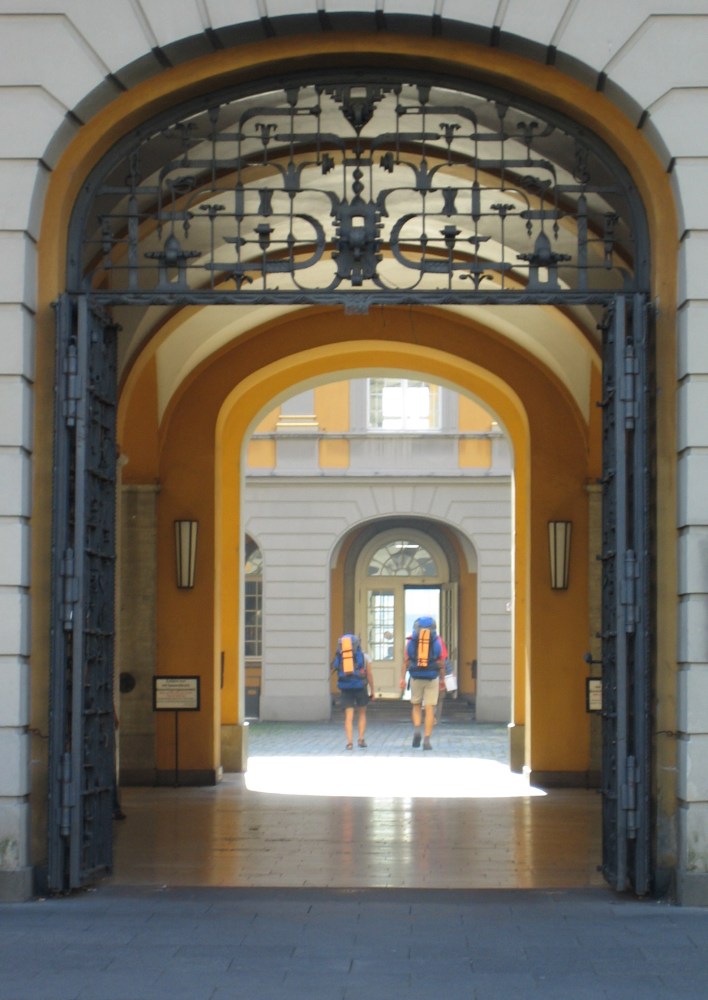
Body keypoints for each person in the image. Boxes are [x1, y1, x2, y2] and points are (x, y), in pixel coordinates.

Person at [400, 617, 445, 750]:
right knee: (430, 708)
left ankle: (417, 729)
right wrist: (442, 679)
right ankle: (427, 739)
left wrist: (402, 678)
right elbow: (441, 663)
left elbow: (406, 661)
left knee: (416, 705)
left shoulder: (411, 641)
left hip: (416, 676)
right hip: (432, 678)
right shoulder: (438, 641)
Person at [334, 635, 375, 750]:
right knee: (362, 713)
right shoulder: (364, 656)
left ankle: (349, 742)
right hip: (360, 687)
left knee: (348, 716)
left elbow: (336, 667)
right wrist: (372, 690)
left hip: (345, 687)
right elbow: (369, 675)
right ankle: (361, 739)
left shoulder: (341, 655)